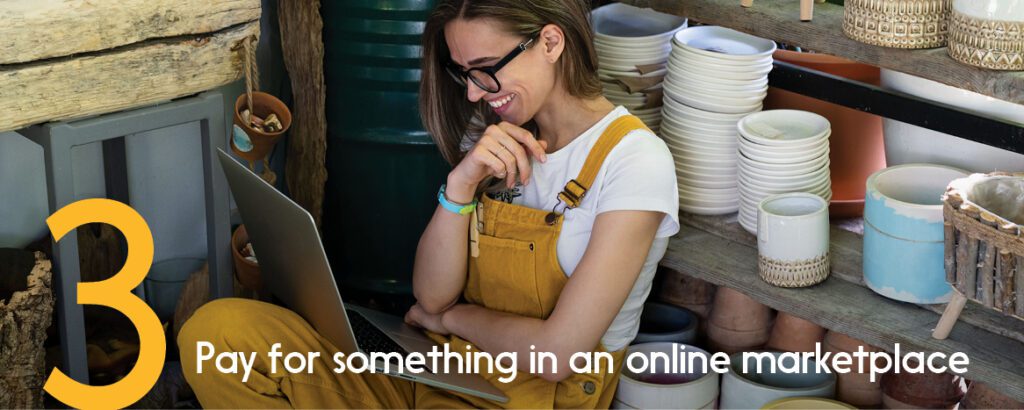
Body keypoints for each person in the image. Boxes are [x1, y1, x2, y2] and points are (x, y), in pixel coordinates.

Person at [178, 0, 679, 407]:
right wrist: (460, 186)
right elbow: (432, 295)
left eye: (485, 70)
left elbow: (555, 354)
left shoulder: (634, 162)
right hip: (438, 370)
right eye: (463, 72)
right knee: (216, 338)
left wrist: (450, 323)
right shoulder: (494, 137)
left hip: (530, 396)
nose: (475, 92)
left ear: (550, 41)